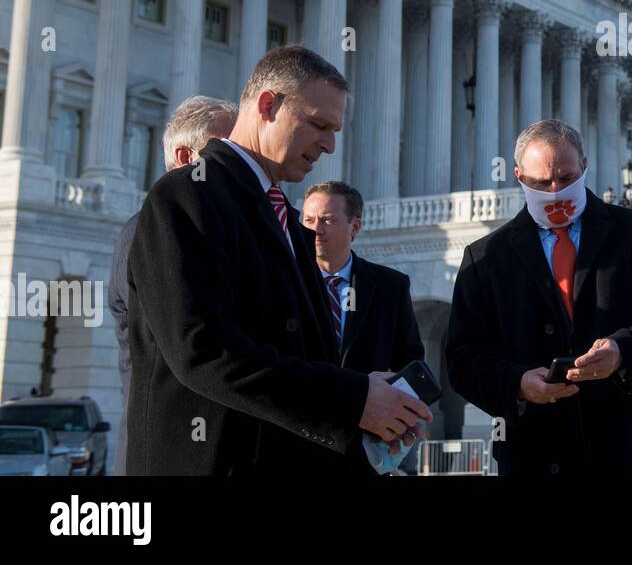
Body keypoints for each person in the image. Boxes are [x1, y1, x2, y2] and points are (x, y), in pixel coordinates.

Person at [125, 45, 431, 475]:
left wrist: (373, 404)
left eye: (335, 130)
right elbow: (204, 351)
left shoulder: (284, 217)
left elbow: (307, 358)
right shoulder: (186, 195)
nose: (328, 145)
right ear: (268, 105)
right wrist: (353, 398)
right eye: (319, 124)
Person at [446, 119, 632, 475]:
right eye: (541, 182)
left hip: (623, 446)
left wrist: (622, 351)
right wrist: (517, 383)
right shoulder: (485, 257)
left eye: (566, 177)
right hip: (534, 450)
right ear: (518, 176)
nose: (556, 190)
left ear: (585, 166)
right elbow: (462, 357)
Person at [107, 95, 236, 475]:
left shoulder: (205, 230)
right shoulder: (152, 231)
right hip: (168, 456)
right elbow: (197, 354)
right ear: (185, 159)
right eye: (226, 155)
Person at [301, 180, 426, 474]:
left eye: (328, 220)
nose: (315, 229)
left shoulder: (389, 286)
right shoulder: (284, 284)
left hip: (364, 449)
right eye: (308, 220)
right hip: (297, 443)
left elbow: (409, 362)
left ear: (354, 227)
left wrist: (402, 418)